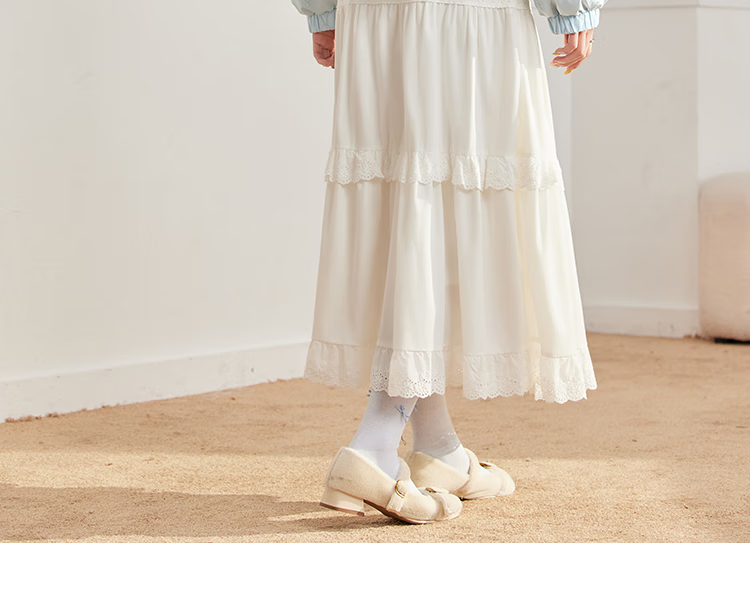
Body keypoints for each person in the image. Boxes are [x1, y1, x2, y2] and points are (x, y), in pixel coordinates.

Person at [290, 0, 606, 524]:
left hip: (374, 17)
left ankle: (439, 448)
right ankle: (374, 444)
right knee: (449, 211)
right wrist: (575, 9)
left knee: (414, 210)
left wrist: (323, 11)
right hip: (471, 19)